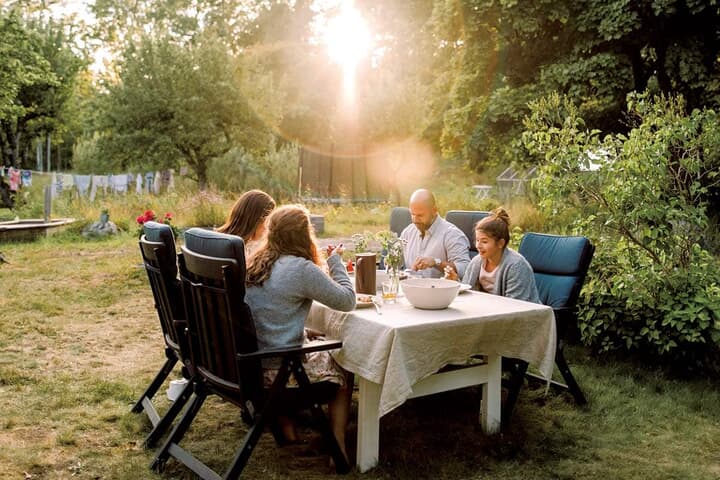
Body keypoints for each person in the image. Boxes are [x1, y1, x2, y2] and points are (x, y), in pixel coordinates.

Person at [244, 204, 356, 459]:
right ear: (304, 234)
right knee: (346, 360)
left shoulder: (256, 262)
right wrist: (336, 261)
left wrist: (302, 330)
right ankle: (337, 442)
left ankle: (288, 428)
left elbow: (268, 311)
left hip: (251, 370)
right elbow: (347, 300)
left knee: (318, 341)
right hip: (281, 373)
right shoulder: (301, 269)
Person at [445, 207, 539, 303]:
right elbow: (467, 293)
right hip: (489, 313)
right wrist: (456, 282)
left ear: (500, 243)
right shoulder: (476, 262)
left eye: (484, 241)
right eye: (477, 240)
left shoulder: (516, 266)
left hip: (525, 316)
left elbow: (515, 306)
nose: (478, 246)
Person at [400, 189, 471, 279]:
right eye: (412, 214)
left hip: (439, 290)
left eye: (420, 215)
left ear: (434, 210)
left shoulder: (452, 234)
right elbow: (395, 263)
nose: (415, 220)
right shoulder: (408, 232)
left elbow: (465, 269)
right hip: (410, 289)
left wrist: (436, 262)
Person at [216, 189, 276, 257]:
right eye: (268, 221)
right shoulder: (253, 252)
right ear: (257, 220)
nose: (269, 227)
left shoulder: (216, 240)